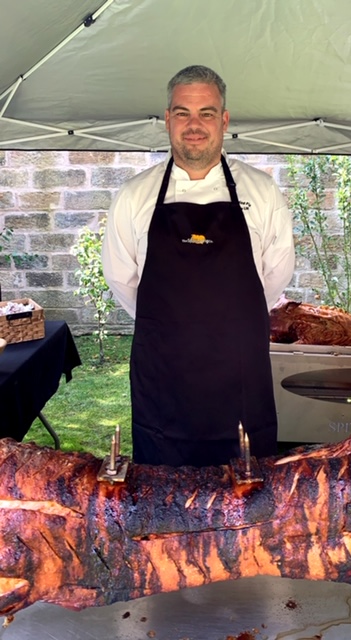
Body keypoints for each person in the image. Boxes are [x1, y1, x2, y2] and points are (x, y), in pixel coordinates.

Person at [102, 65, 295, 467]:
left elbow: (275, 276)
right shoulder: (135, 195)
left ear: (224, 120)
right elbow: (121, 277)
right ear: (167, 119)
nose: (194, 125)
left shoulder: (262, 192)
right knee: (164, 491)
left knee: (244, 485)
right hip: (163, 375)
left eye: (206, 113)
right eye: (182, 113)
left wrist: (228, 322)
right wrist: (168, 323)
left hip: (239, 373)